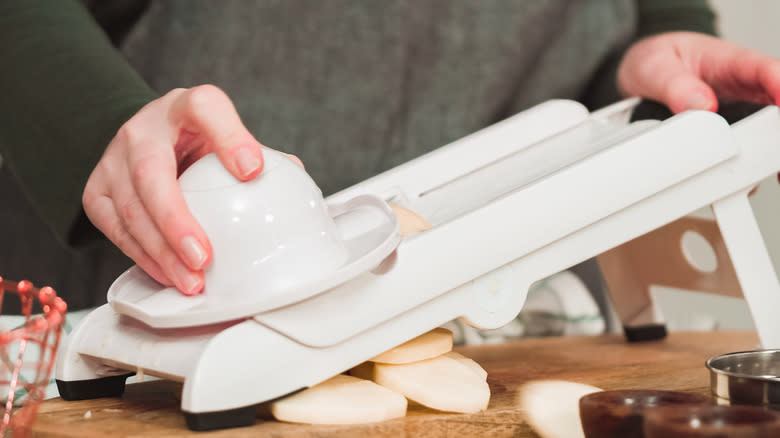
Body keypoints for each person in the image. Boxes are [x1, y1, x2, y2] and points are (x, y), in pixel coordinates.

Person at [0, 0, 778, 310]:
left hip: (517, 330)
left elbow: (647, 11)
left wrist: (649, 68)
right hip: (144, 288)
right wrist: (92, 120)